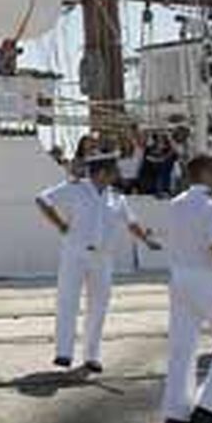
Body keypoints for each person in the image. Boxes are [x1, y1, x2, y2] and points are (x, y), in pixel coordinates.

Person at [36, 151, 162, 372]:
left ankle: (91, 355)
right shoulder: (74, 189)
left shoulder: (116, 197)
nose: (118, 175)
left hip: (103, 256)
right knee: (68, 302)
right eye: (114, 171)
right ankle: (63, 352)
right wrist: (60, 224)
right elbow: (43, 199)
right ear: (102, 172)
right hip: (75, 253)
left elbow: (131, 222)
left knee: (98, 307)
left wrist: (146, 240)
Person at [160, 154, 212, 423]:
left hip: (180, 278)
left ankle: (176, 415)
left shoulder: (176, 202)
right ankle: (210, 406)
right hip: (207, 277)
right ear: (206, 173)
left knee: (182, 349)